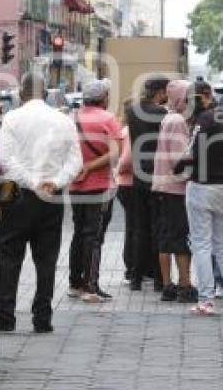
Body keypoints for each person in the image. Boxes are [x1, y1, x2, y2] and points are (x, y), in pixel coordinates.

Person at [0, 72, 83, 333]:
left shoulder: (11, 118)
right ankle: (42, 317)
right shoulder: (63, 120)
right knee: (47, 259)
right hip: (51, 198)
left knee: (10, 257)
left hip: (20, 196)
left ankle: (5, 316)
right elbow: (75, 162)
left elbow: (6, 160)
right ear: (45, 93)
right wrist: (55, 182)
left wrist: (32, 181)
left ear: (21, 94)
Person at [176, 80, 223, 315]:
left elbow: (193, 152)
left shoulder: (203, 120)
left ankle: (206, 299)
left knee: (202, 244)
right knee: (222, 243)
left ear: (204, 96)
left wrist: (178, 165)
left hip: (202, 187)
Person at [68, 79, 121, 303]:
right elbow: (115, 154)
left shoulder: (72, 118)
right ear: (103, 98)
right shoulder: (108, 119)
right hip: (99, 185)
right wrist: (90, 166)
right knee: (94, 236)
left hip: (75, 184)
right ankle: (91, 285)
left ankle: (75, 283)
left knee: (79, 232)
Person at [152, 79, 197, 303]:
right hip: (176, 187)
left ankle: (167, 284)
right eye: (188, 97)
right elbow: (181, 160)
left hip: (162, 185)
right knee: (180, 237)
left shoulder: (168, 117)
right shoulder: (178, 120)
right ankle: (185, 285)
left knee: (165, 236)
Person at [127, 77, 169, 291]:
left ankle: (135, 278)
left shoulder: (132, 110)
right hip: (157, 174)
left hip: (138, 173)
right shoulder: (162, 114)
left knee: (139, 228)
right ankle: (160, 279)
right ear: (160, 92)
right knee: (158, 226)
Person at [115, 99, 135, 282]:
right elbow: (127, 159)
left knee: (132, 226)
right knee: (134, 227)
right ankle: (132, 267)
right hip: (130, 183)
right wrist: (118, 170)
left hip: (123, 183)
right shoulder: (130, 131)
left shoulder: (123, 130)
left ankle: (131, 266)